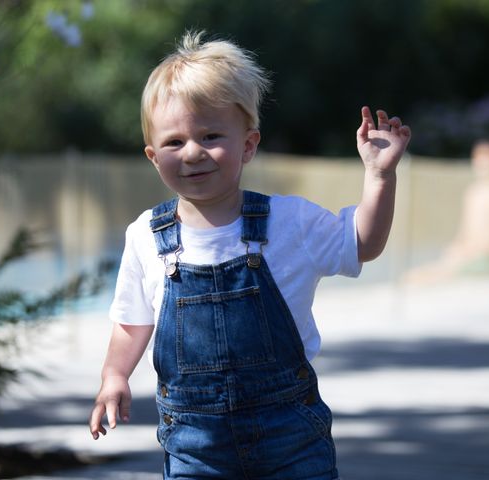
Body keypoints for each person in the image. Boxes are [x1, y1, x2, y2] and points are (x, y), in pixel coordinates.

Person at [89, 31, 411, 479]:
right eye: (174, 142)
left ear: (248, 144)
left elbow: (362, 242)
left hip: (291, 441)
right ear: (152, 156)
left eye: (211, 135)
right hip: (194, 448)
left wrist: (380, 177)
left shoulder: (289, 222)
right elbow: (132, 320)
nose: (194, 152)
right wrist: (114, 376)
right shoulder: (146, 236)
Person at [405, 137, 489, 283]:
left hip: (488, 259)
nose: (481, 162)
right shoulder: (473, 192)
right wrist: (456, 248)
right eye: (477, 156)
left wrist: (472, 252)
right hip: (469, 255)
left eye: (486, 156)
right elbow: (465, 231)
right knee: (418, 274)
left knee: (429, 277)